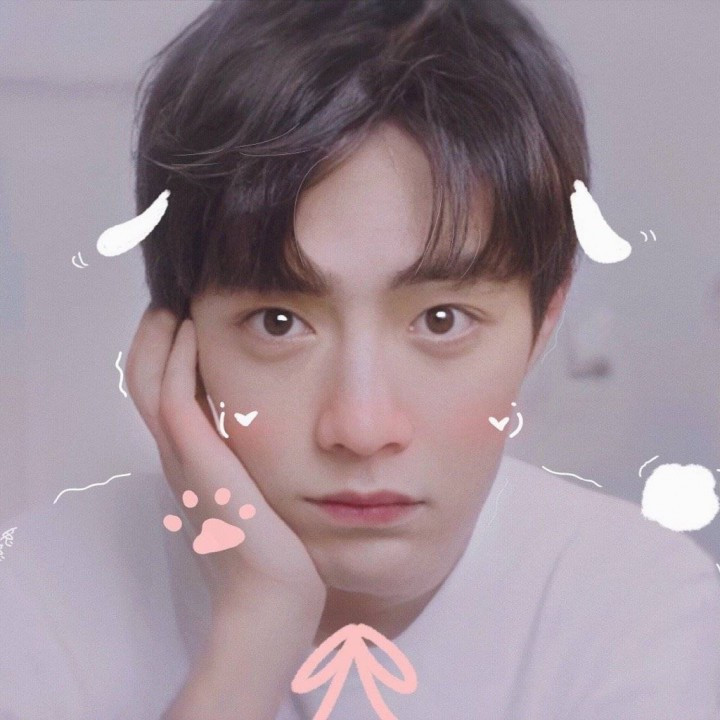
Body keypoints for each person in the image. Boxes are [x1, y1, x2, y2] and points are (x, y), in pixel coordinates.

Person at [1, 1, 718, 719]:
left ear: (543, 322)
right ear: (176, 345)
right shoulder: (41, 599)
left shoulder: (645, 610)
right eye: (279, 323)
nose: (362, 428)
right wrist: (254, 636)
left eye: (442, 320)